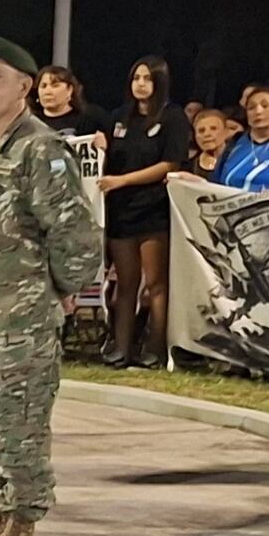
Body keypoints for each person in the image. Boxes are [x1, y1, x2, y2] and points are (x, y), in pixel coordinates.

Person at [0, 37, 102, 536]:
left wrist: (63, 288)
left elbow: (74, 232)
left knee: (18, 421)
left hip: (22, 316)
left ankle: (22, 531)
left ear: (25, 85)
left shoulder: (39, 149)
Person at [100, 56, 186, 365]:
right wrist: (100, 145)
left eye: (147, 79)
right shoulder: (119, 117)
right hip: (121, 212)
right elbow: (105, 158)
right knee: (126, 283)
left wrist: (122, 180)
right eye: (136, 78)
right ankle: (121, 347)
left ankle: (156, 348)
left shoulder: (173, 117)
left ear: (159, 82)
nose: (141, 84)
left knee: (156, 283)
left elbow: (170, 163)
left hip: (154, 210)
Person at [214, 85, 269, 191]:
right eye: (251, 108)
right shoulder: (235, 143)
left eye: (265, 106)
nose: (258, 111)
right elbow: (215, 184)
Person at [34, 65, 106, 142]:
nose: (47, 92)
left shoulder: (87, 120)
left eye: (55, 86)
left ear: (70, 90)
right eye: (43, 86)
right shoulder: (31, 122)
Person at [186, 106, 231, 181]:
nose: (207, 134)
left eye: (213, 129)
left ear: (226, 132)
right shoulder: (188, 167)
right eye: (201, 131)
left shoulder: (238, 163)